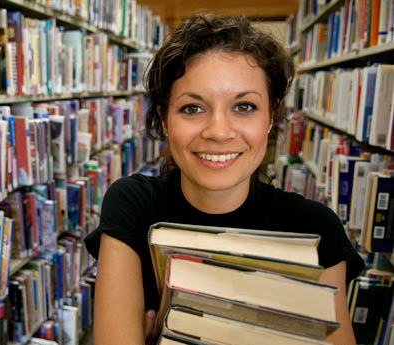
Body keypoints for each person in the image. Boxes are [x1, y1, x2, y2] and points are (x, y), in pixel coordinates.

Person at [84, 13, 364, 345]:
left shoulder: (316, 229)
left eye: (244, 107)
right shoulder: (133, 204)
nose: (218, 132)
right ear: (164, 118)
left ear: (271, 117)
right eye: (192, 108)